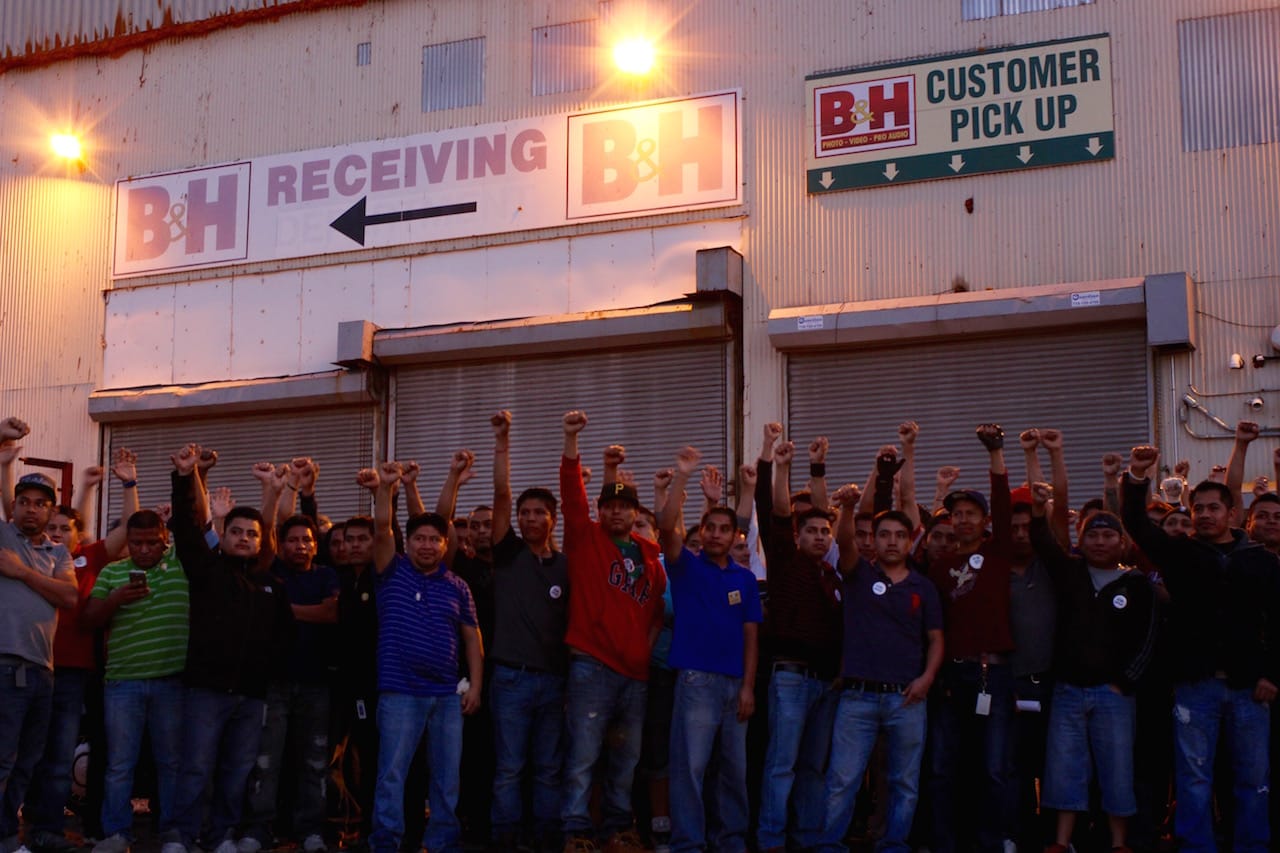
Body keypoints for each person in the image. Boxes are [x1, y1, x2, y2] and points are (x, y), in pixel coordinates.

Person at [1122, 444, 1280, 853]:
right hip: (1195, 685)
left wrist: (1271, 675)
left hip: (1250, 687)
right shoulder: (1179, 553)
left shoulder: (1261, 561)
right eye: (1200, 508)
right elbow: (1136, 522)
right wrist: (1137, 476)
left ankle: (1253, 845)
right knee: (1193, 778)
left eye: (1215, 507)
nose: (1206, 514)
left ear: (1233, 513)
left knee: (1253, 778)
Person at [167, 447, 294, 853]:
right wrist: (186, 478)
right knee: (196, 769)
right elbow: (187, 532)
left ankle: (222, 835)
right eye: (236, 531)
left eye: (252, 534)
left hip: (253, 696)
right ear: (223, 535)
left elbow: (283, 638)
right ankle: (181, 836)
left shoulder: (271, 584)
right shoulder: (207, 571)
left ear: (261, 542)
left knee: (237, 770)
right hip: (205, 692)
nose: (244, 538)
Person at [558, 411, 666, 853]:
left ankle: (619, 829)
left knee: (626, 761)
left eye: (625, 506)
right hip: (592, 666)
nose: (617, 511)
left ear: (636, 512)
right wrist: (571, 440)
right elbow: (571, 495)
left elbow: (657, 616)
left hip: (635, 675)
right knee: (584, 758)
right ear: (601, 511)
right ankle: (576, 831)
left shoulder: (652, 561)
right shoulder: (587, 540)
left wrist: (645, 648)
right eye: (610, 505)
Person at [1030, 483, 1158, 853]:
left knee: (1117, 767)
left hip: (1114, 694)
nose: (1100, 542)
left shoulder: (1136, 585)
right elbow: (1043, 540)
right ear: (1080, 540)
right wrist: (1040, 508)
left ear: (1122, 542)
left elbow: (1148, 639)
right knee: (1064, 767)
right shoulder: (1069, 572)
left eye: (1108, 535)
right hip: (1068, 690)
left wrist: (1125, 681)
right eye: (1093, 535)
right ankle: (1061, 841)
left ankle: (1119, 843)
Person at [26, 449, 141, 852]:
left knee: (59, 757)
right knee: (24, 754)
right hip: (29, 666)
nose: (56, 532)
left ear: (79, 536)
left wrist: (127, 483)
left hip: (73, 672)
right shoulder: (33, 553)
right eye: (52, 526)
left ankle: (49, 830)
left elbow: (129, 528)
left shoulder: (88, 558)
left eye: (65, 528)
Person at [367, 461, 482, 853]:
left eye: (435, 539)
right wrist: (385, 488)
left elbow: (472, 640)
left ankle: (442, 843)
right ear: (408, 542)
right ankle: (386, 842)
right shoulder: (391, 571)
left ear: (445, 544)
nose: (427, 545)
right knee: (392, 775)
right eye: (419, 538)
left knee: (447, 778)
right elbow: (382, 528)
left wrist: (475, 687)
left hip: (447, 696)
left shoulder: (458, 586)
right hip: (400, 691)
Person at [816, 504, 943, 852]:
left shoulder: (924, 587)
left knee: (904, 781)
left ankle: (894, 844)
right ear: (873, 539)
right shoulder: (858, 574)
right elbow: (843, 541)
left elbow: (936, 640)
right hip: (858, 696)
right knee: (843, 778)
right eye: (884, 534)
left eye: (900, 536)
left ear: (909, 541)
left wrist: (927, 678)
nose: (891, 542)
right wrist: (844, 509)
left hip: (907, 697)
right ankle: (829, 845)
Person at [658, 446, 761, 853]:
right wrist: (683, 477)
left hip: (735, 685)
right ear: (701, 533)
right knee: (690, 769)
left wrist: (749, 687)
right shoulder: (686, 567)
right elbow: (667, 528)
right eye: (710, 528)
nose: (717, 534)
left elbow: (751, 635)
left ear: (734, 535)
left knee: (734, 771)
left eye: (725, 528)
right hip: (696, 681)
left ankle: (731, 841)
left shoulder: (746, 579)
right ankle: (689, 843)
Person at [754, 427, 844, 853]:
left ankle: (807, 840)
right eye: (811, 530)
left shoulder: (833, 575)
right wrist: (783, 463)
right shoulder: (786, 560)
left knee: (814, 768)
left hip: (826, 684)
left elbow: (825, 513)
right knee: (782, 766)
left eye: (825, 532)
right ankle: (772, 842)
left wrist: (820, 469)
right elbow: (776, 511)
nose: (820, 536)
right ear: (798, 535)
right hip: (789, 678)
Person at [927, 424, 1015, 853]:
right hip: (949, 678)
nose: (962, 520)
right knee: (944, 767)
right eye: (956, 514)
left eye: (970, 513)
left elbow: (1002, 499)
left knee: (994, 768)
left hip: (992, 675)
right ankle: (946, 843)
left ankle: (992, 842)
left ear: (983, 521)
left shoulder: (998, 553)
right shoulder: (938, 566)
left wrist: (995, 453)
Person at [486, 411, 570, 852]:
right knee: (509, 768)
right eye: (525, 512)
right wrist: (503, 441)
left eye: (540, 512)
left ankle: (546, 841)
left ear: (554, 519)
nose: (531, 518)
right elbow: (500, 492)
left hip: (554, 682)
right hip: (510, 679)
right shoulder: (507, 554)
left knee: (548, 769)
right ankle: (505, 842)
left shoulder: (567, 567)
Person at [84, 509, 189, 853]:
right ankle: (117, 834)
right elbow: (89, 619)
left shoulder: (179, 565)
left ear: (165, 541)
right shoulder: (112, 572)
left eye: (151, 543)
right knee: (119, 764)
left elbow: (201, 532)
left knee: (171, 762)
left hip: (171, 681)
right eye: (136, 543)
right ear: (126, 542)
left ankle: (172, 832)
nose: (143, 550)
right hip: (122, 683)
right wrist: (116, 599)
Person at [240, 507, 340, 853]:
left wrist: (284, 608)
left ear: (316, 546)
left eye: (307, 540)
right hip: (274, 683)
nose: (300, 546)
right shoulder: (270, 573)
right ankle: (259, 829)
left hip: (316, 683)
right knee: (266, 762)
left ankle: (311, 829)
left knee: (314, 762)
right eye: (293, 540)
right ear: (281, 545)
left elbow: (331, 612)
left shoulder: (327, 575)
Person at [0, 458, 78, 853]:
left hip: (42, 671)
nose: (31, 508)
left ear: (51, 510)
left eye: (40, 503)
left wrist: (21, 573)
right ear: (12, 506)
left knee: (26, 763)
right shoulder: (2, 536)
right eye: (24, 501)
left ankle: (7, 838)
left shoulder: (58, 553)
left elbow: (68, 596)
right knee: (3, 760)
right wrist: (3, 454)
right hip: (5, 665)